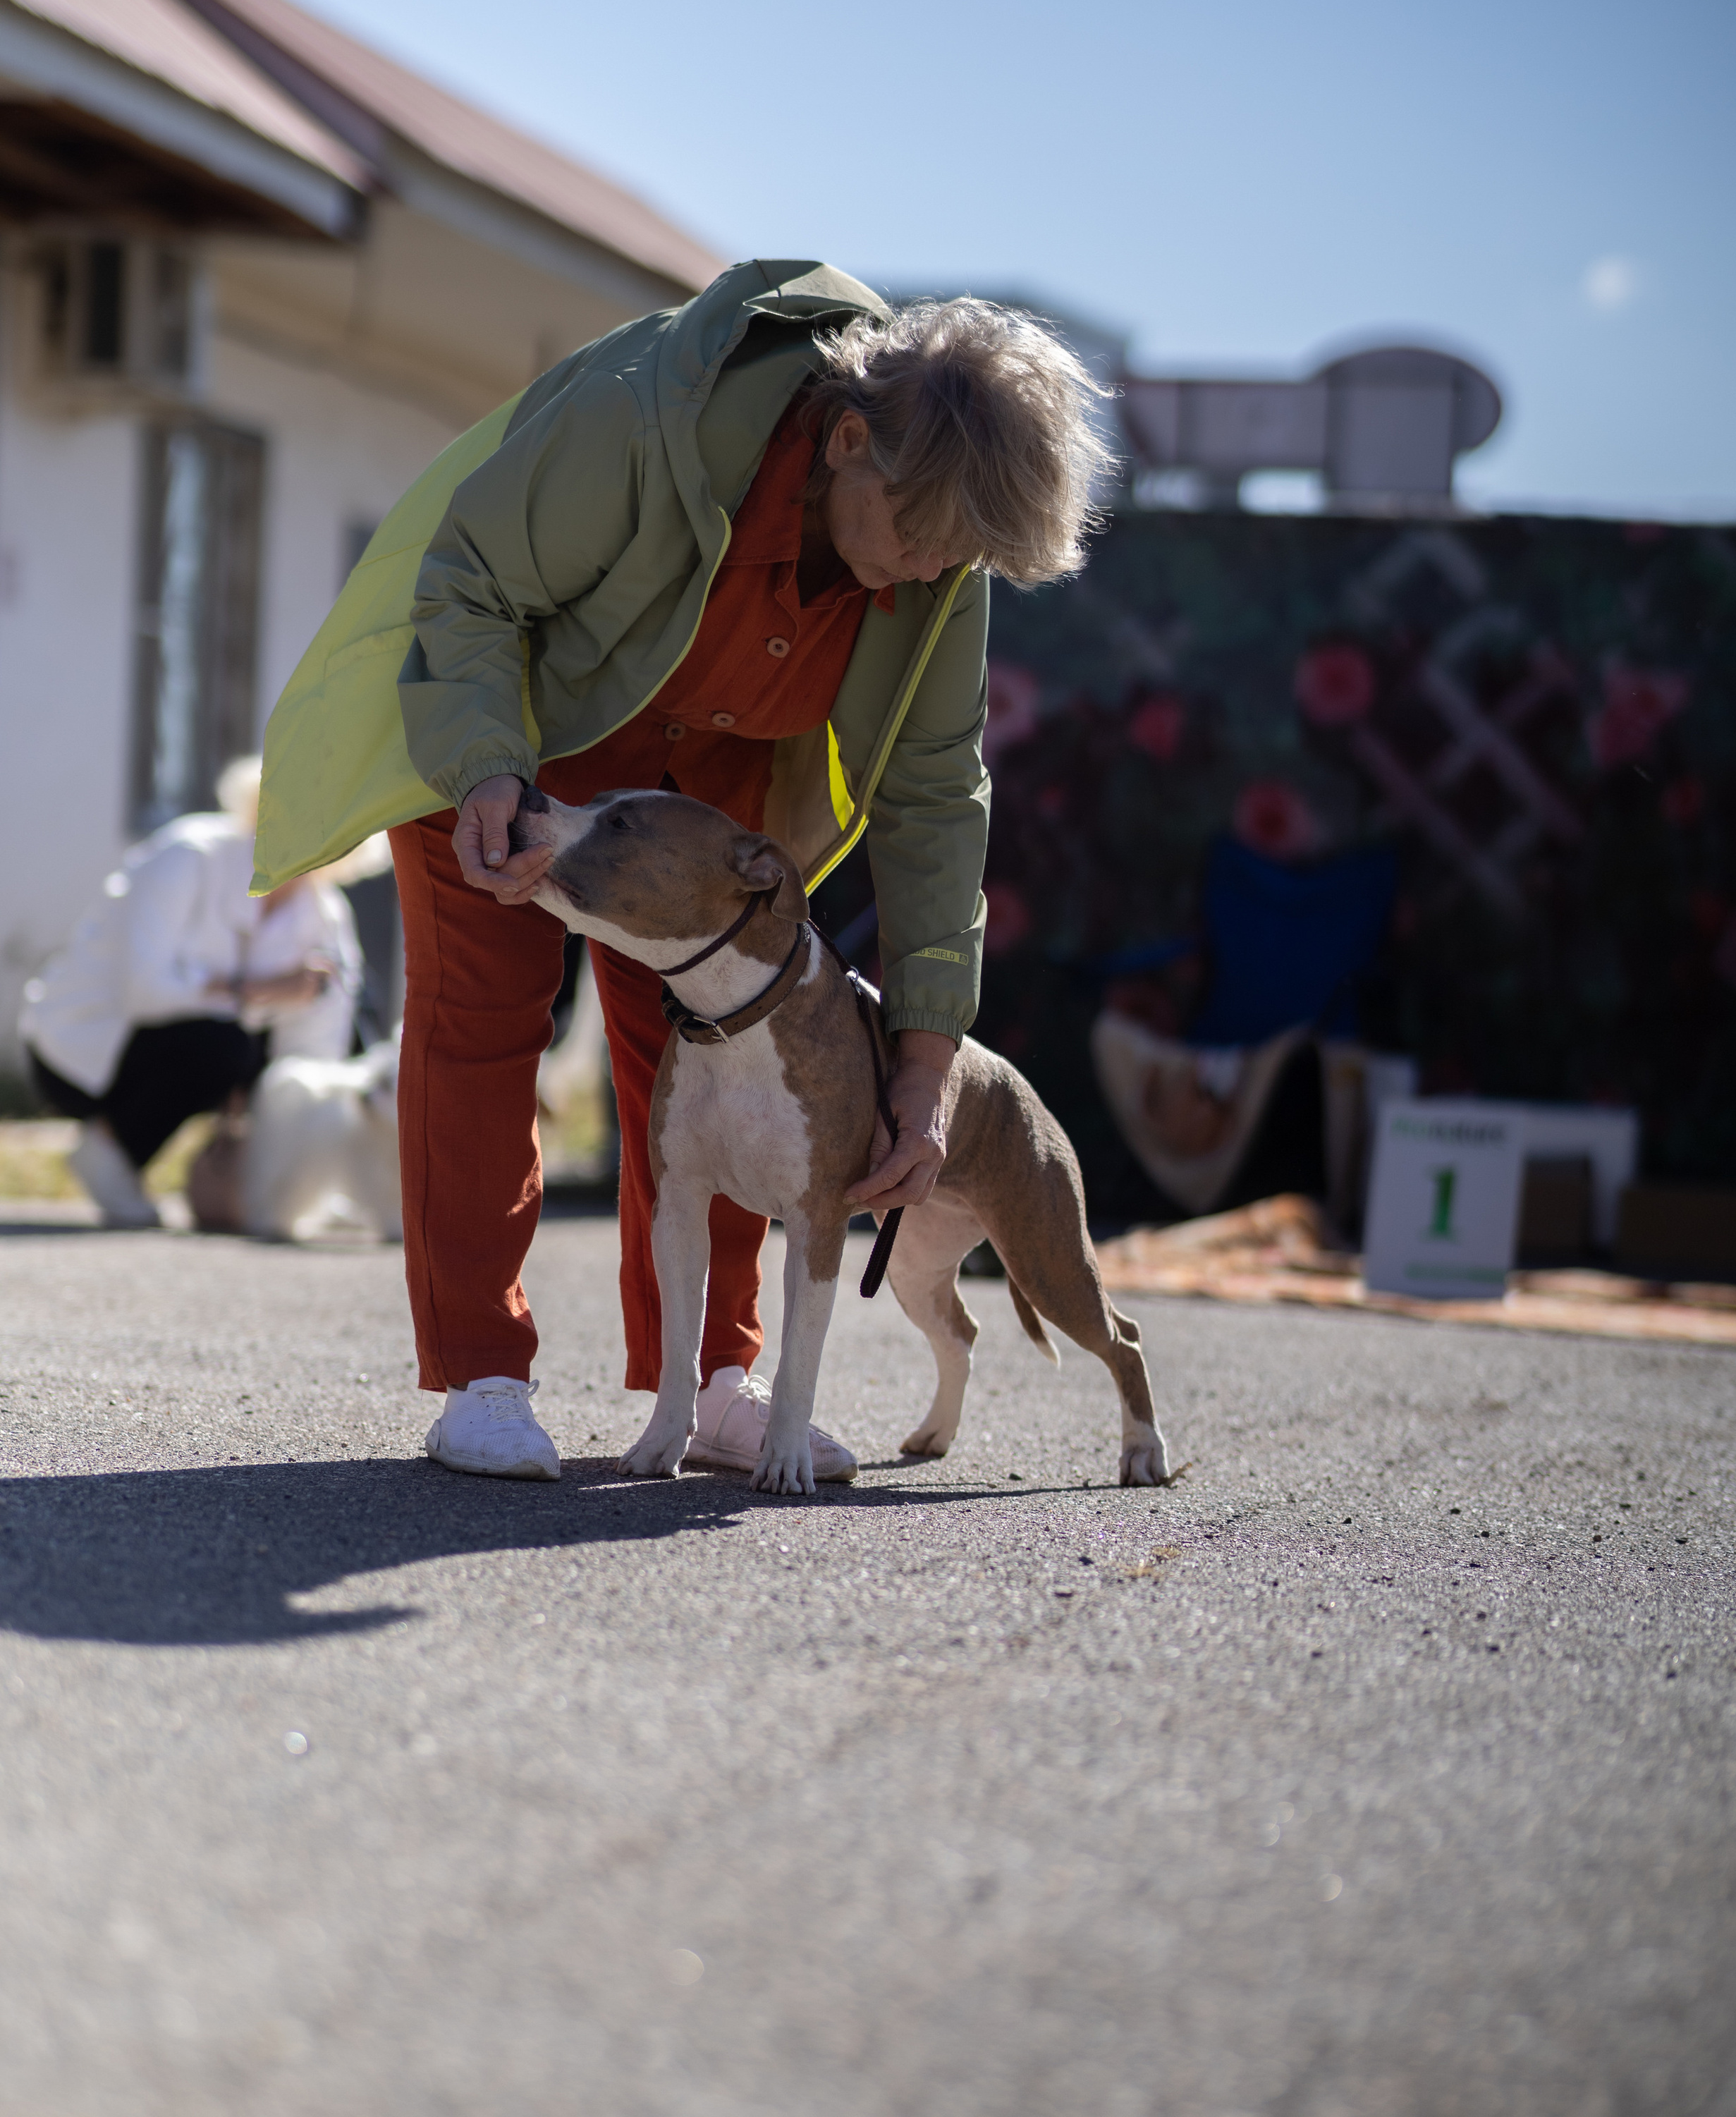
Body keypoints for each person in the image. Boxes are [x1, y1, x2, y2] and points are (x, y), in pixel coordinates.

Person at [252, 260, 1109, 1480]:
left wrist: (923, 1058)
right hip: (509, 723)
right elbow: (472, 586)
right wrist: (490, 768)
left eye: (958, 563)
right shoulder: (642, 414)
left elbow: (934, 797)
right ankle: (482, 1379)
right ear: (850, 439)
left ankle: (715, 1388)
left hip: (708, 767)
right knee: (486, 1022)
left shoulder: (938, 551)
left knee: (720, 1043)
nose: (930, 577)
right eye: (924, 540)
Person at [21, 757, 364, 1226]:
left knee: (333, 1054)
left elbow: (316, 1054)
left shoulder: (325, 912)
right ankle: (111, 1153)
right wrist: (257, 991)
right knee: (224, 1046)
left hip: (201, 1047)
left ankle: (295, 1187)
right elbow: (144, 992)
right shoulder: (189, 855)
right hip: (79, 1055)